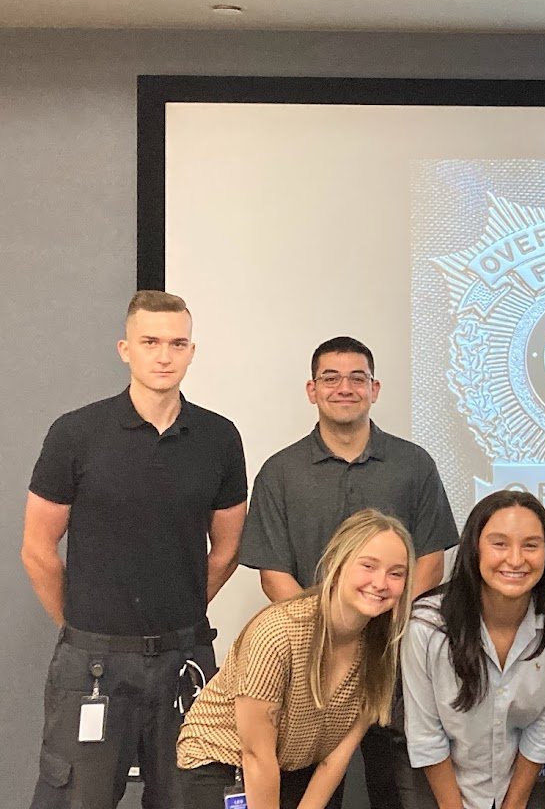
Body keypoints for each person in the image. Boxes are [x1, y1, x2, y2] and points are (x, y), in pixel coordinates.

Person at [21, 290, 248, 809]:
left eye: (177, 343)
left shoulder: (218, 437)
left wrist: (179, 609)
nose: (164, 355)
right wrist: (81, 627)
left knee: (194, 800)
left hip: (185, 661)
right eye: (150, 342)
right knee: (77, 799)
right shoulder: (76, 432)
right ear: (126, 349)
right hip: (94, 665)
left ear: (192, 351)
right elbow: (37, 548)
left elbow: (228, 548)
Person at [239, 335, 459, 808]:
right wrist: (327, 634)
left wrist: (381, 624)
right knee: (311, 791)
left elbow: (431, 561)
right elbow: (273, 573)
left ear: (375, 389)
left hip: (393, 664)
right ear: (311, 389)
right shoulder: (280, 472)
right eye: (330, 378)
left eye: (357, 378)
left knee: (399, 793)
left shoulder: (414, 465)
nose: (345, 388)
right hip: (310, 668)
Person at [177, 509, 415, 809]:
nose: (381, 582)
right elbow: (256, 756)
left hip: (298, 766)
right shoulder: (278, 633)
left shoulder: (384, 648)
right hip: (223, 764)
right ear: (336, 565)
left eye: (396, 573)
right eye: (368, 565)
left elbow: (336, 759)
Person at [401, 490, 545, 809]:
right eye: (499, 544)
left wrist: (513, 805)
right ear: (474, 549)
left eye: (531, 545)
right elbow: (427, 736)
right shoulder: (427, 626)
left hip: (521, 778)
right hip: (439, 780)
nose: (516, 560)